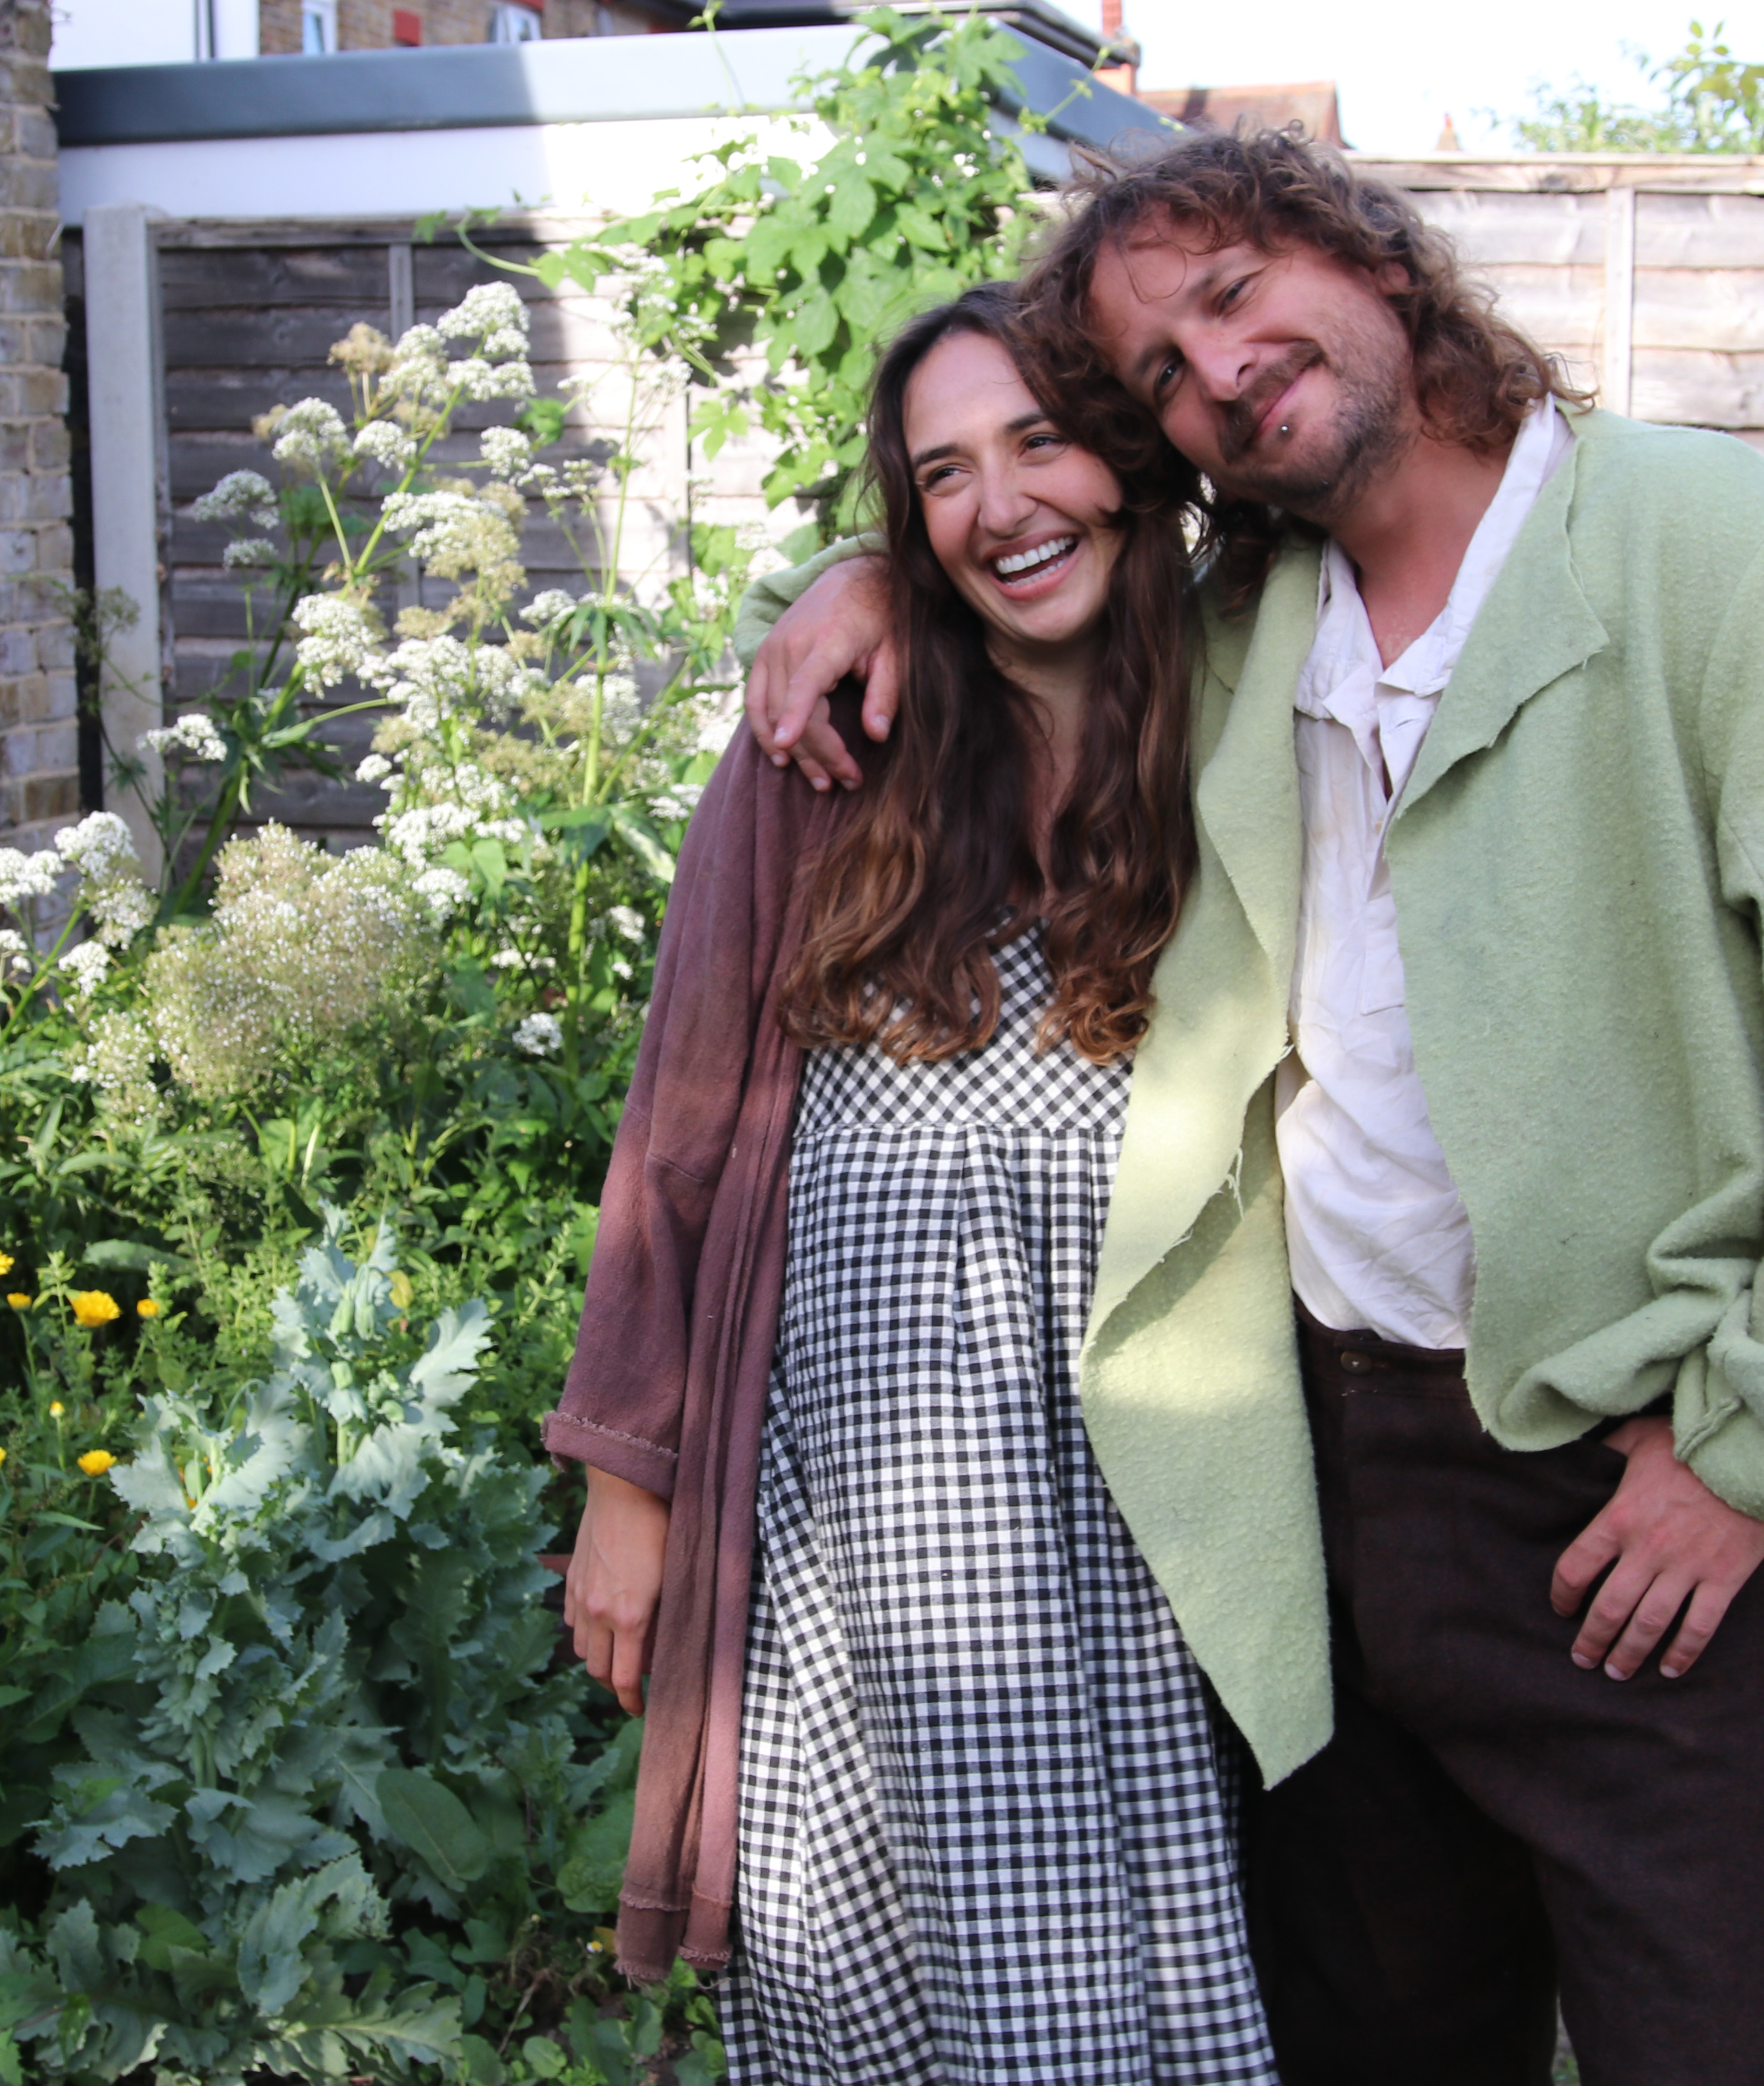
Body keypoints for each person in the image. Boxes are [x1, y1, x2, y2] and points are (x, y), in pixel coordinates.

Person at [737, 132, 1764, 2085]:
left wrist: (1757, 1444)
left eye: (1233, 294)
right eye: (1164, 373)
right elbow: (1037, 573)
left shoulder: (1697, 550)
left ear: (1369, 254)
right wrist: (869, 572)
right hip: (1333, 1493)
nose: (1220, 370)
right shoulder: (1247, 627)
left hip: (1637, 1489)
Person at [544, 283, 1302, 2084]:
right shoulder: (833, 754)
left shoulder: (1241, 727)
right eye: (941, 474)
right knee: (859, 1968)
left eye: (1039, 441)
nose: (998, 504)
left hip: (1135, 1514)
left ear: (1130, 459)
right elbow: (680, 1124)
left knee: (1124, 1964)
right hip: (861, 1525)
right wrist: (630, 1482)